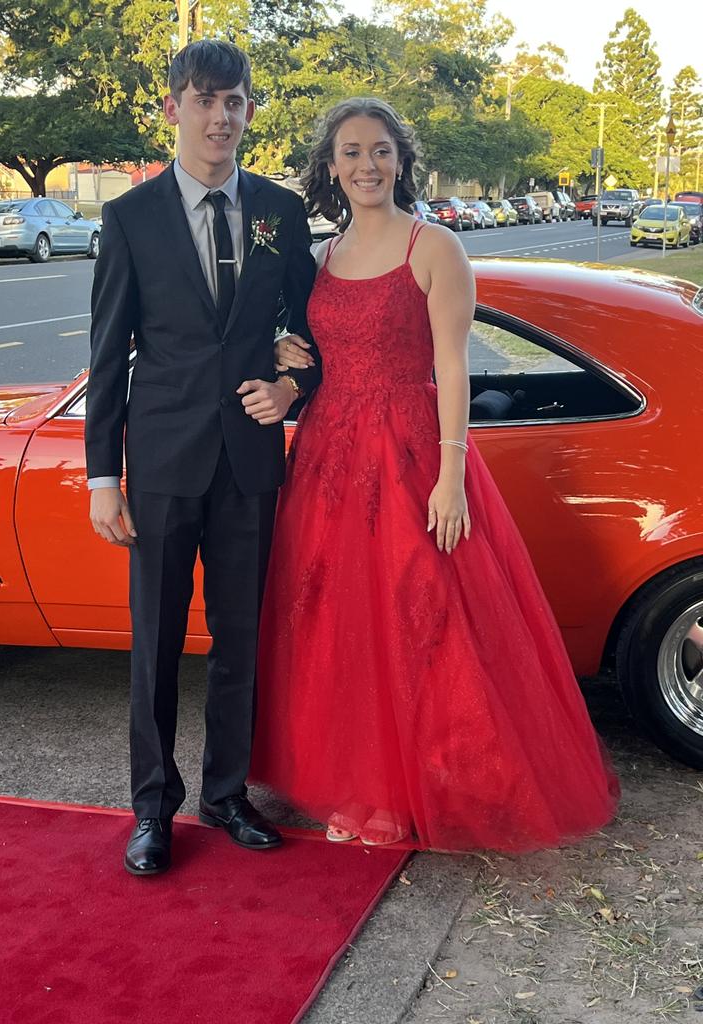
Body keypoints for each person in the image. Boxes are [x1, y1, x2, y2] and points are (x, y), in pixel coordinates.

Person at [250, 98, 619, 852]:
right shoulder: (319, 259)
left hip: (412, 453)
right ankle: (353, 780)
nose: (366, 165)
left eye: (381, 151)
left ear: (401, 160)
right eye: (351, 152)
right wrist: (290, 357)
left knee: (418, 620)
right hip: (328, 457)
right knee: (336, 622)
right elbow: (321, 356)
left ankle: (414, 788)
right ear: (330, 167)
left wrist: (450, 475)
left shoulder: (435, 247)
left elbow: (452, 367)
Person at [85, 39, 321, 876]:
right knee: (152, 642)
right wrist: (103, 478)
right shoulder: (130, 217)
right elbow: (108, 354)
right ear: (173, 108)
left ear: (250, 110)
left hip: (249, 461)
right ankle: (152, 808)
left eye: (235, 101)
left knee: (240, 638)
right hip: (159, 463)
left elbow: (314, 335)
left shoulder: (281, 214)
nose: (221, 117)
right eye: (204, 99)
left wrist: (293, 392)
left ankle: (226, 794)